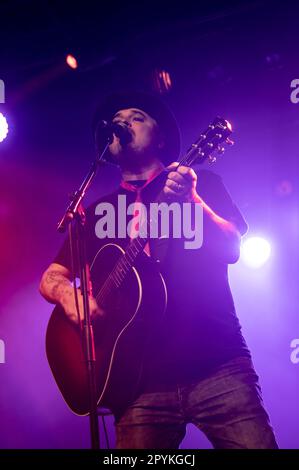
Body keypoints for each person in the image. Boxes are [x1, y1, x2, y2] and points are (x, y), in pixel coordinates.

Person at [39, 91, 278, 449]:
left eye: (136, 117)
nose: (123, 123)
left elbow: (232, 248)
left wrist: (193, 201)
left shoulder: (203, 182)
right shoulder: (98, 209)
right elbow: (50, 278)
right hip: (137, 383)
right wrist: (69, 298)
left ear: (161, 137)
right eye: (117, 121)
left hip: (217, 363)